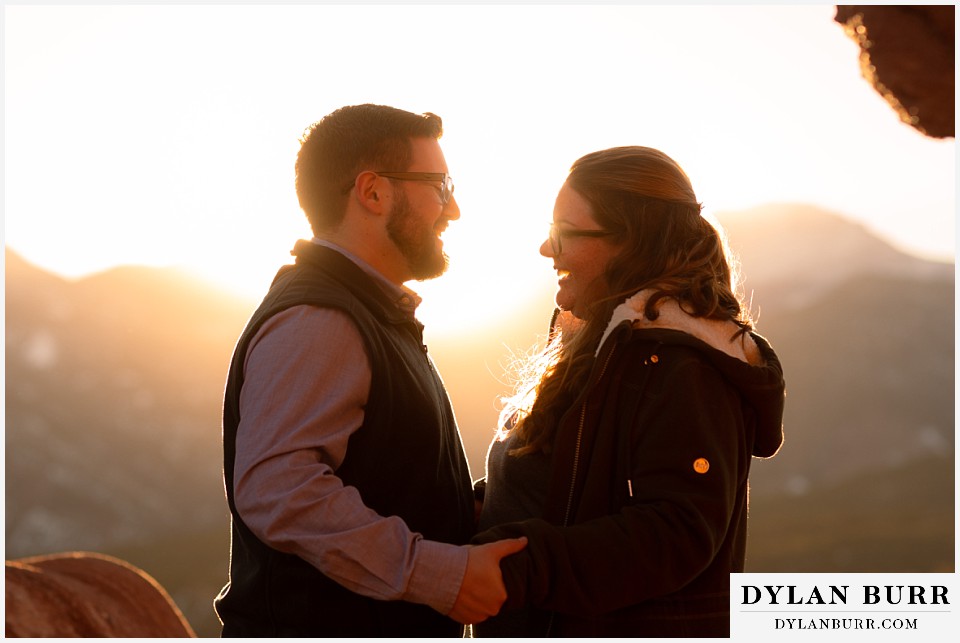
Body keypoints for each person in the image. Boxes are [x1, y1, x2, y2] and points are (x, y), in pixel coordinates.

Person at [214, 104, 526, 637]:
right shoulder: (320, 319)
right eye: (441, 186)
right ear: (374, 192)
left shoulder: (365, 313)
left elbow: (381, 475)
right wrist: (440, 575)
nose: (453, 211)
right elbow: (279, 490)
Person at [471, 146, 786, 637]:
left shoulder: (680, 366)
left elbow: (675, 533)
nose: (546, 249)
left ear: (631, 243)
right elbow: (572, 485)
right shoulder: (604, 346)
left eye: (564, 233)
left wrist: (512, 564)